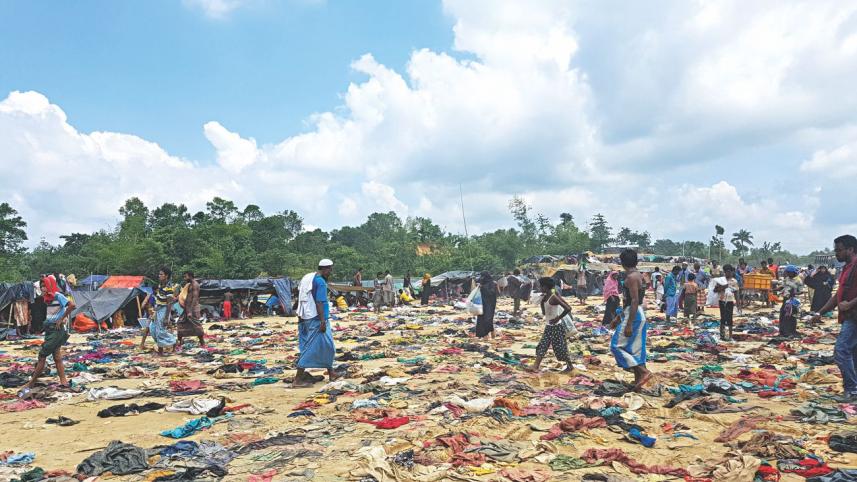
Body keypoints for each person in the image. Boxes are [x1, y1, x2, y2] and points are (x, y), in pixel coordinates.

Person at [19, 276, 76, 397]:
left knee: (42, 356)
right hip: (50, 330)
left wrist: (61, 318)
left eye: (44, 286)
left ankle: (31, 383)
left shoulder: (57, 295)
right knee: (57, 357)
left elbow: (72, 305)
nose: (43, 288)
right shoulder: (47, 298)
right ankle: (64, 382)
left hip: (56, 330)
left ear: (50, 285)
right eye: (41, 286)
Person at [610, 249, 652, 392]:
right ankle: (638, 382)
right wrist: (618, 317)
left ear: (622, 263)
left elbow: (634, 301)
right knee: (634, 349)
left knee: (616, 346)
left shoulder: (632, 278)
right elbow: (630, 302)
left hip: (634, 315)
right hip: (635, 313)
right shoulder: (637, 275)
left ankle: (643, 372)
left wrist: (628, 324)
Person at [294, 259, 339, 387]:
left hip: (306, 317)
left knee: (328, 346)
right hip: (316, 319)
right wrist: (322, 321)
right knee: (310, 348)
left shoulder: (309, 278)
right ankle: (298, 379)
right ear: (325, 269)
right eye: (330, 269)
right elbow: (319, 302)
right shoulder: (320, 282)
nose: (330, 271)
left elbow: (301, 298)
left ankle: (331, 372)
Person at [526, 277, 573, 373]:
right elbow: (544, 313)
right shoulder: (546, 297)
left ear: (545, 287)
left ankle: (570, 366)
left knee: (560, 348)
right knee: (542, 345)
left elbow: (568, 308)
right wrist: (541, 301)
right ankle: (536, 366)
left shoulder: (553, 297)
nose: (539, 288)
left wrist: (558, 318)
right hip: (549, 326)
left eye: (540, 286)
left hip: (556, 327)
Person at [142, 267, 177, 352]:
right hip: (157, 310)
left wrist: (166, 317)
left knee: (160, 331)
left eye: (161, 274)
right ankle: (172, 341)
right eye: (159, 274)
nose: (159, 276)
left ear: (166, 276)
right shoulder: (160, 285)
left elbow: (169, 303)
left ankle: (162, 350)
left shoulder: (169, 288)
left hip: (164, 310)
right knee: (153, 329)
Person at [712, 265, 740, 341]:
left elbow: (736, 293)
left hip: (730, 301)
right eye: (726, 272)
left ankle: (730, 336)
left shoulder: (734, 281)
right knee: (723, 318)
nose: (728, 273)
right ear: (724, 272)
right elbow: (715, 290)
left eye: (729, 272)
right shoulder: (721, 281)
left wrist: (738, 305)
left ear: (732, 272)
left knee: (729, 318)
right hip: (722, 300)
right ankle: (722, 335)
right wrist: (723, 287)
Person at [177, 271, 205, 347]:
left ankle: (202, 342)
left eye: (186, 276)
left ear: (191, 276)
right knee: (181, 323)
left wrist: (190, 310)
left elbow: (195, 298)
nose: (184, 278)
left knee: (196, 325)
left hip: (193, 308)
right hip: (187, 308)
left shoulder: (195, 285)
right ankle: (179, 341)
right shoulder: (189, 285)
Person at [778, 265, 803, 338]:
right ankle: (782, 331)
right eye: (787, 272)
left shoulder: (798, 280)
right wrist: (773, 290)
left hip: (793, 300)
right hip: (785, 300)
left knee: (790, 316)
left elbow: (801, 291)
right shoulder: (786, 279)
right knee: (782, 315)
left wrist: (794, 293)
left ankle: (789, 331)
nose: (788, 274)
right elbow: (782, 287)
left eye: (789, 272)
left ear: (794, 273)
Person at [475, 272, 498, 340]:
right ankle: (487, 334)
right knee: (481, 319)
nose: (481, 278)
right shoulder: (482, 283)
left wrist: (483, 287)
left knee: (488, 319)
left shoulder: (492, 283)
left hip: (490, 304)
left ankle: (488, 335)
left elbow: (491, 292)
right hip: (482, 304)